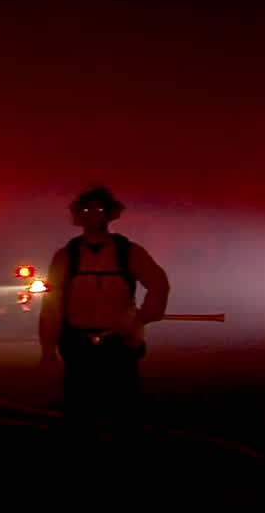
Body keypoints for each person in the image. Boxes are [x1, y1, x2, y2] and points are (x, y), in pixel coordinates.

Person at [39, 185, 170, 447]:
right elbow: (52, 305)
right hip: (78, 345)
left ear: (109, 214)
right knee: (79, 415)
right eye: (87, 209)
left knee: (125, 413)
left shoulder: (129, 252)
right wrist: (48, 349)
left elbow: (159, 284)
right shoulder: (66, 256)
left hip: (119, 345)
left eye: (99, 208)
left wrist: (144, 317)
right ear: (78, 215)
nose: (93, 214)